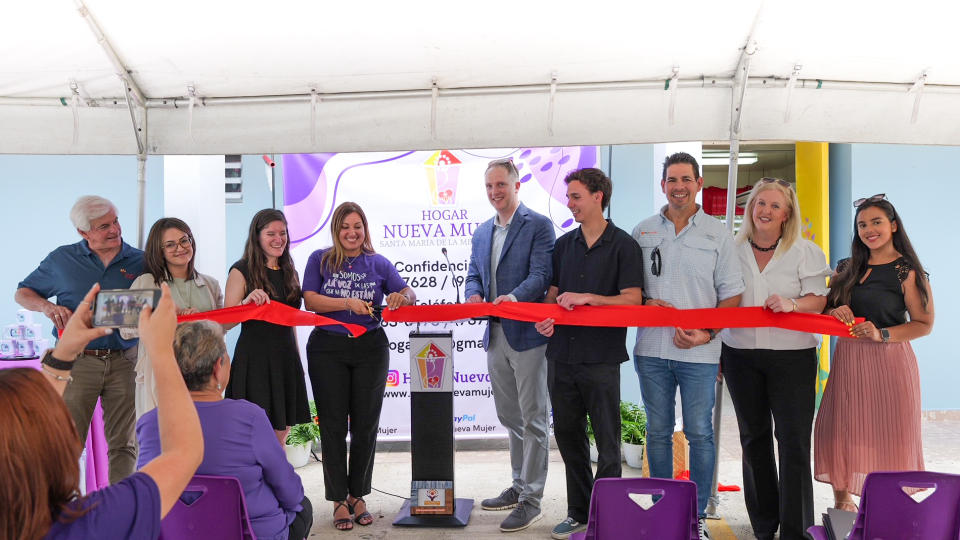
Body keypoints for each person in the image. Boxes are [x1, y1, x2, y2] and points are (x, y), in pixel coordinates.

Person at [0, 282, 203, 540]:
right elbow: (185, 451)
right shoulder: (97, 520)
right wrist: (161, 349)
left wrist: (65, 352)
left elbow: (30, 417)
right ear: (54, 450)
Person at [632, 152, 744, 540]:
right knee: (658, 431)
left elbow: (731, 297)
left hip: (700, 352)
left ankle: (694, 515)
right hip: (651, 351)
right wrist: (645, 305)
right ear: (663, 185)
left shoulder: (718, 234)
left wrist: (707, 334)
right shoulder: (643, 231)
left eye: (686, 179)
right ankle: (663, 511)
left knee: (699, 432)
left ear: (698, 183)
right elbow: (630, 291)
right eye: (671, 179)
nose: (678, 186)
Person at [534, 168, 644, 540]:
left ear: (598, 197)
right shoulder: (564, 245)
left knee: (608, 440)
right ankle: (578, 511)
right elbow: (552, 294)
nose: (570, 204)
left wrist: (590, 298)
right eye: (569, 197)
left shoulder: (624, 245)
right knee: (568, 436)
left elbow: (633, 300)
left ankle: (607, 514)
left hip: (601, 358)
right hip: (560, 356)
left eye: (576, 196)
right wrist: (545, 318)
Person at [719, 179, 831, 540]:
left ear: (787, 214)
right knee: (753, 440)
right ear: (750, 208)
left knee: (794, 441)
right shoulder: (730, 250)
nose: (765, 210)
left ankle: (796, 530)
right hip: (740, 355)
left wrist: (792, 304)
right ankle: (765, 526)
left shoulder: (805, 251)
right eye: (759, 203)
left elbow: (819, 300)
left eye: (774, 205)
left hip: (793, 357)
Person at [137, 320, 313, 540]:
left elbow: (145, 498)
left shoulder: (149, 423)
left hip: (178, 533)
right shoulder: (250, 418)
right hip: (251, 533)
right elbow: (290, 492)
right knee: (303, 507)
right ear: (218, 368)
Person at [814, 194, 934, 511]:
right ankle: (843, 504)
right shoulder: (847, 267)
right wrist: (835, 311)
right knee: (838, 431)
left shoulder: (906, 271)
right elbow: (824, 310)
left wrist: (881, 334)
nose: (869, 229)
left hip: (890, 362)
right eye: (862, 224)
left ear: (893, 226)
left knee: (891, 436)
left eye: (876, 222)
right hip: (849, 362)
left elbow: (923, 324)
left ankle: (892, 508)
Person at [301, 201, 415, 531]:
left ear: (365, 229)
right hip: (327, 348)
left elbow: (409, 293)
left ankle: (358, 495)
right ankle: (338, 499)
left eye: (357, 226)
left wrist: (402, 296)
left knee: (365, 425)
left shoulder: (378, 262)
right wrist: (346, 303)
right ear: (336, 230)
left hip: (370, 348)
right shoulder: (319, 259)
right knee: (333, 425)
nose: (352, 232)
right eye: (345, 226)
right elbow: (310, 299)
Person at [15, 195, 145, 484]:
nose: (115, 229)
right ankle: (64, 512)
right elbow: (23, 292)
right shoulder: (61, 259)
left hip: (126, 362)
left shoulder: (142, 260)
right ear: (83, 233)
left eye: (115, 221)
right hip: (77, 364)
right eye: (104, 226)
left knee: (125, 445)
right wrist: (47, 307)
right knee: (67, 444)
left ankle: (120, 514)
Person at [465, 158, 555, 532]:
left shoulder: (538, 225)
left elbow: (541, 274)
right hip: (496, 334)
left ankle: (532, 498)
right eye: (489, 187)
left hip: (528, 335)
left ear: (517, 185)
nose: (494, 193)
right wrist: (472, 295)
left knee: (534, 418)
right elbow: (473, 274)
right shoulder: (482, 232)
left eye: (501, 185)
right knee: (510, 417)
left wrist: (516, 297)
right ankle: (518, 486)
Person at [224, 209, 310, 446]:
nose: (278, 239)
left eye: (282, 233)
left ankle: (275, 482)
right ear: (257, 237)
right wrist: (245, 304)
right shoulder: (240, 270)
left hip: (285, 359)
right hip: (255, 363)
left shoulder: (289, 271)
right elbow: (226, 323)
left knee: (281, 436)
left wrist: (297, 360)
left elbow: (290, 321)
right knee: (257, 438)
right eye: (270, 233)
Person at [122, 217, 223, 419]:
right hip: (160, 373)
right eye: (170, 245)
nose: (180, 248)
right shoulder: (146, 282)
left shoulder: (210, 284)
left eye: (184, 240)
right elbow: (125, 330)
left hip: (203, 374)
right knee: (161, 437)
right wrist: (165, 315)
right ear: (159, 251)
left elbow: (221, 327)